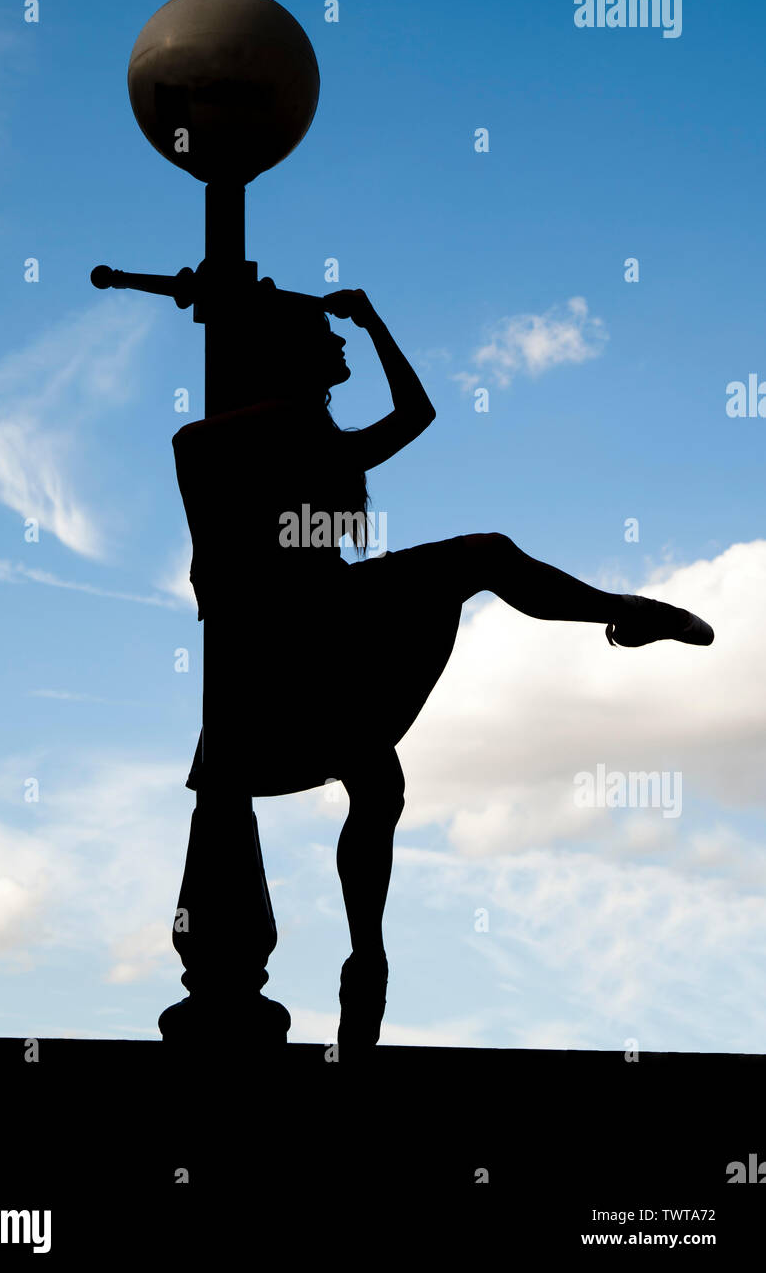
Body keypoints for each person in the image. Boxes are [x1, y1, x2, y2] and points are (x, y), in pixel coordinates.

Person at [172, 287, 713, 1053]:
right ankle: (628, 612)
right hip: (284, 636)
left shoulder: (324, 437)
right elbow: (188, 445)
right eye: (331, 336)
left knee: (379, 777)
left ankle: (367, 959)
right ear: (293, 356)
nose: (343, 345)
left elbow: (418, 415)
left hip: (326, 617)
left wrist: (373, 318)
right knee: (481, 562)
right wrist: (286, 407)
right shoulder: (264, 432)